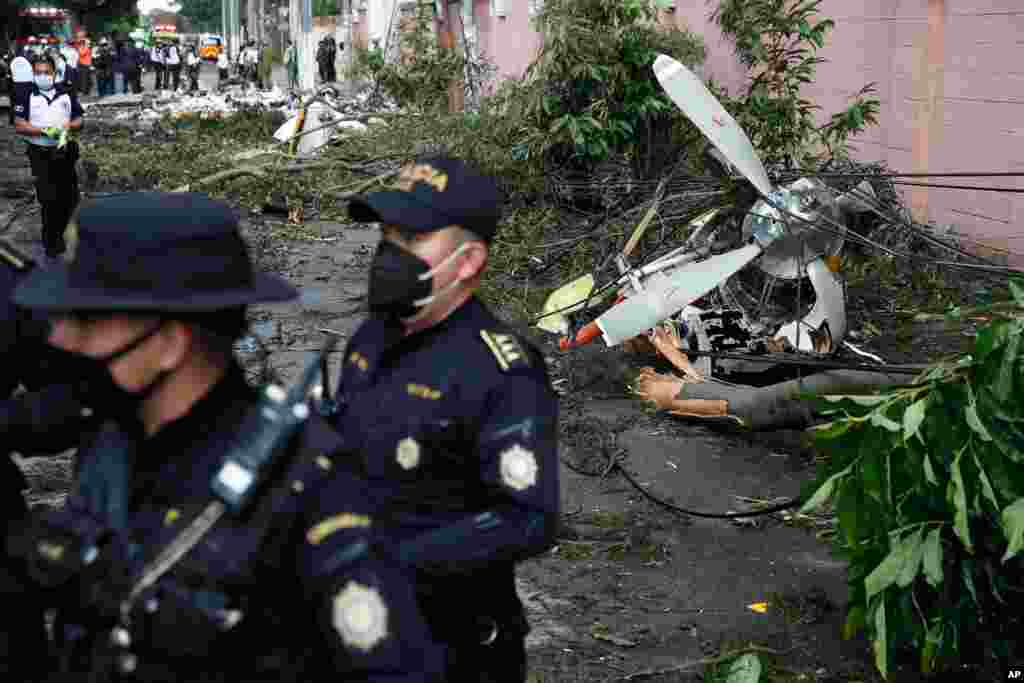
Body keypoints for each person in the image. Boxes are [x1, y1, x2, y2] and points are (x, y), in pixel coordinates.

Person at [4, 192, 446, 681]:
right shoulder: (113, 442)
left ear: (170, 343)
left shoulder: (308, 491)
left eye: (86, 319)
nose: (61, 337)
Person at [328, 157, 560, 682]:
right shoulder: (370, 340)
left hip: (456, 646)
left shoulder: (502, 371)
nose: (390, 253)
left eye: (411, 238)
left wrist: (393, 557)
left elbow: (529, 518)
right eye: (386, 235)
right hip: (360, 629)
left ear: (468, 260)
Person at [13, 55, 83, 260]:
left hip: (65, 150)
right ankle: (52, 245)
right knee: (49, 199)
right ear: (33, 74)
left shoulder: (66, 92)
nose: (43, 76)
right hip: (41, 154)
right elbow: (19, 124)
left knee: (70, 198)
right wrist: (45, 132)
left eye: (47, 72)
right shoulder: (26, 94)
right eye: (38, 72)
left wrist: (69, 127)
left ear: (54, 73)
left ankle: (68, 237)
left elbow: (79, 118)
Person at [8, 47, 32, 126]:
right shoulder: (27, 61)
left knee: (14, 103)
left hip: (15, 85)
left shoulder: (13, 61)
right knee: (25, 102)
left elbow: (9, 74)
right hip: (26, 84)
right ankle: (25, 118)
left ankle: (13, 119)